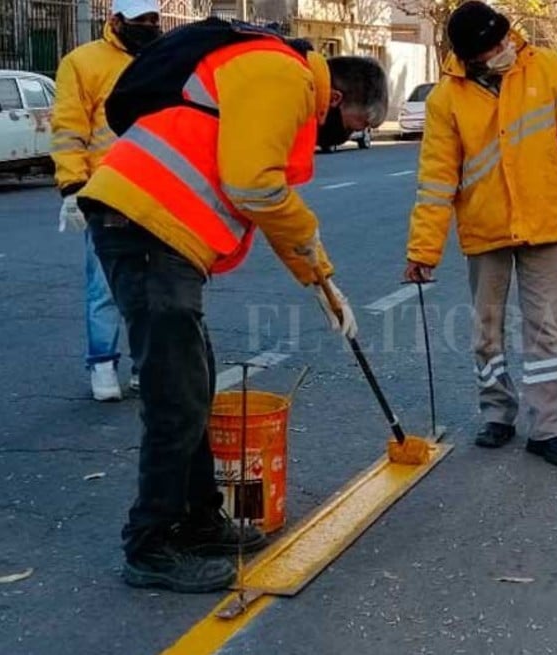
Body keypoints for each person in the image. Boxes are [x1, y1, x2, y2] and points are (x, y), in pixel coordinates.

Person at [77, 17, 386, 593]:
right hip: (144, 227)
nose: (348, 136)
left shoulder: (279, 74)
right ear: (336, 99)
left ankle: (198, 521)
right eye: (354, 125)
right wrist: (316, 261)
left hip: (156, 232)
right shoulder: (284, 76)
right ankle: (150, 545)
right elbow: (255, 186)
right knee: (176, 398)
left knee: (194, 386)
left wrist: (319, 280)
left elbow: (255, 186)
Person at [403, 1, 557, 469]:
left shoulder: (548, 69)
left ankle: (548, 429)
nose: (504, 49)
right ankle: (497, 414)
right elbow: (435, 181)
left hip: (545, 223)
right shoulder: (445, 100)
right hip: (485, 228)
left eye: (503, 39)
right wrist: (423, 252)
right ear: (469, 57)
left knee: (546, 331)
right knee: (486, 331)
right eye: (491, 47)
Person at [52, 0, 161, 402]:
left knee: (154, 285)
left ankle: (145, 366)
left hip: (157, 191)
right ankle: (102, 365)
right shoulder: (82, 63)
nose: (149, 26)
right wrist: (71, 187)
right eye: (140, 20)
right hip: (106, 193)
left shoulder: (161, 59)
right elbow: (68, 128)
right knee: (106, 285)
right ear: (115, 20)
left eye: (153, 20)